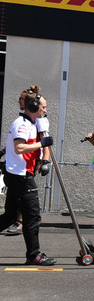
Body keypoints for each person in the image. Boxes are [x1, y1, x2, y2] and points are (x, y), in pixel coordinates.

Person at [0, 90, 55, 265]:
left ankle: (33, 254)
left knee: (10, 216)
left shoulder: (32, 123)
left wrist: (43, 158)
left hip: (18, 174)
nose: (45, 110)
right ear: (33, 106)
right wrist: (42, 144)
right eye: (43, 107)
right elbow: (19, 148)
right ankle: (34, 255)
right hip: (21, 177)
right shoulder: (22, 124)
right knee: (32, 216)